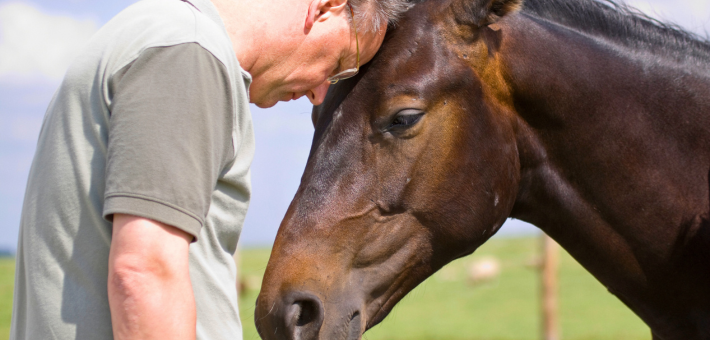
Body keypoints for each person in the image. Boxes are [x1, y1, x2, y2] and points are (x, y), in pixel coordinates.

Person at [9, 0, 410, 338]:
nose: (319, 92)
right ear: (326, 6)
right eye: (340, 64)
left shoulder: (150, 34)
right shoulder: (189, 53)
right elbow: (145, 272)